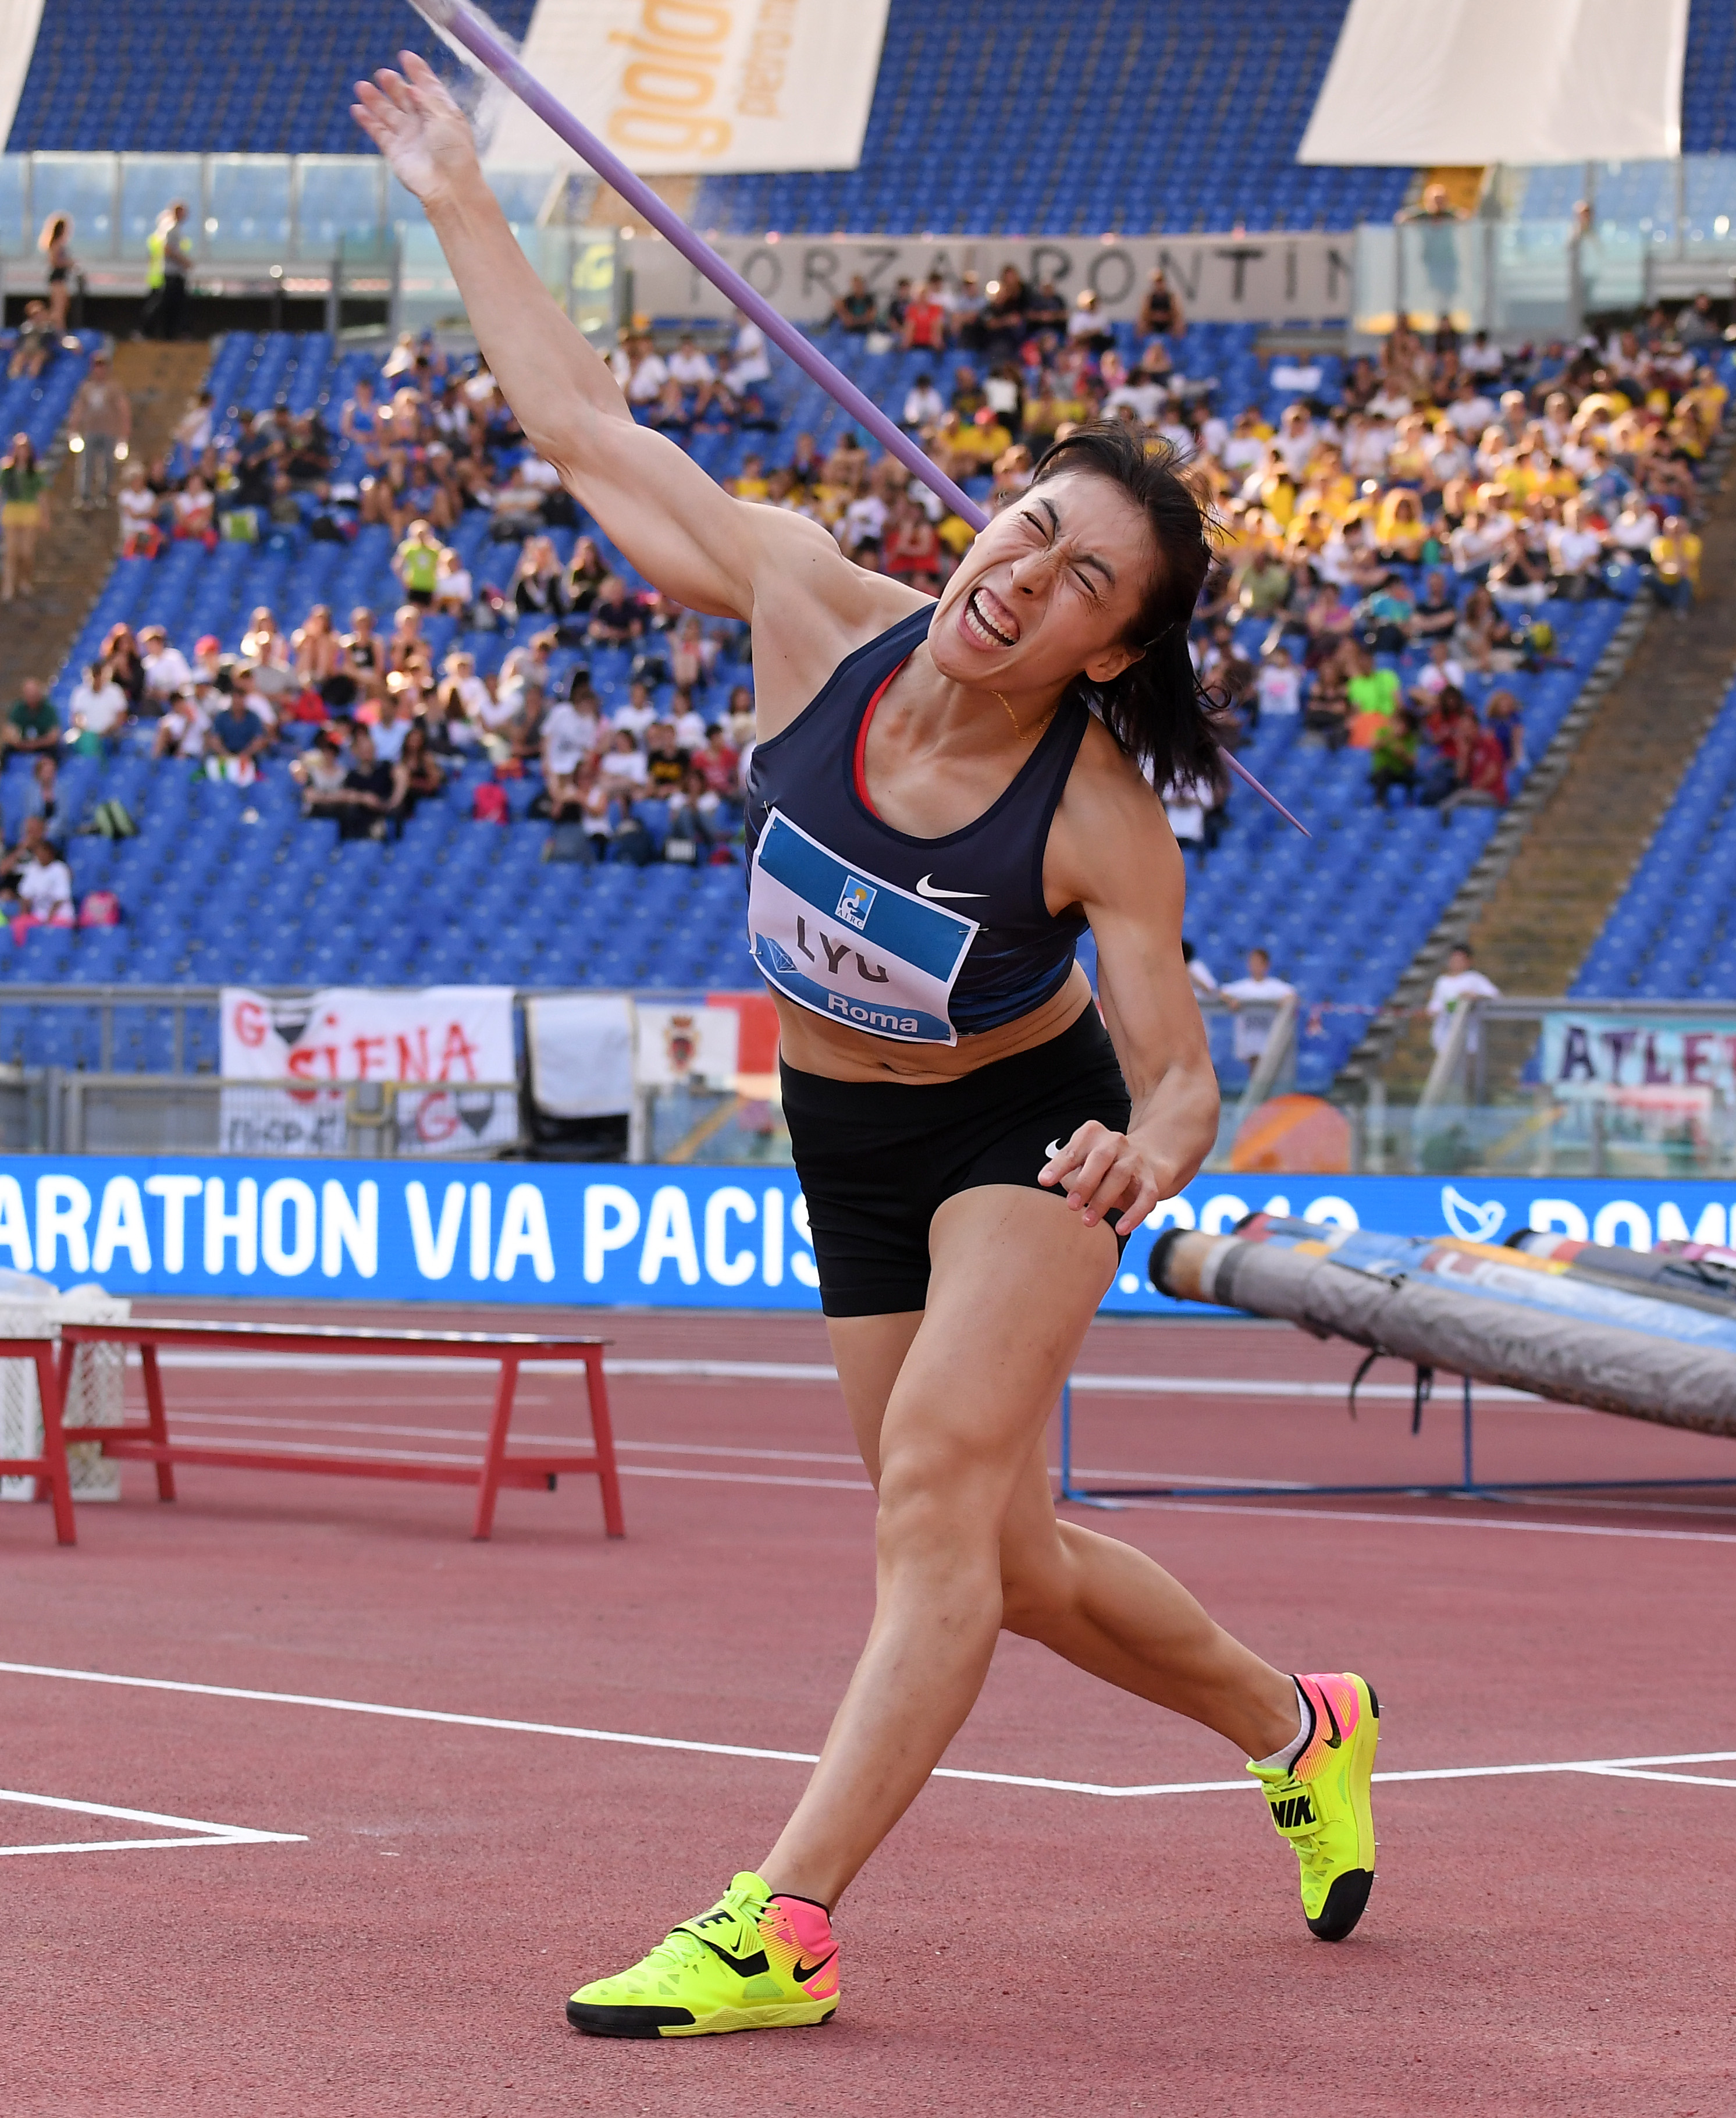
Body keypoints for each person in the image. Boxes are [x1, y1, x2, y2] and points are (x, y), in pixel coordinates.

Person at [355, 52, 1382, 2041]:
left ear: (1111, 650)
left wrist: (1147, 1156)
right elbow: (582, 422)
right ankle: (1296, 1720)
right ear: (983, 520)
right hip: (846, 1139)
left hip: (1025, 1134)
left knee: (928, 1501)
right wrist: (464, 194)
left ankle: (784, 1927)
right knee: (1002, 1555)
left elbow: (1176, 1070)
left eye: (1088, 579)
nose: (1028, 574)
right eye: (1028, 527)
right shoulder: (810, 610)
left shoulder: (1098, 816)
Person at [68, 350, 131, 511]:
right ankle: (85, 495)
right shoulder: (86, 388)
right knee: (86, 463)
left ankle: (104, 493)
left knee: (107, 463)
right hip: (90, 431)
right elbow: (79, 409)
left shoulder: (114, 388)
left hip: (109, 431)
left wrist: (123, 435)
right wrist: (73, 429)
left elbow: (123, 410)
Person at [1219, 948, 1296, 1066]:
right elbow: (1223, 993)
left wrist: (1284, 1002)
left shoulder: (1274, 986)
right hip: (1248, 1037)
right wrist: (1231, 1001)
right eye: (1252, 963)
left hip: (1267, 1036)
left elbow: (1292, 995)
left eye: (1259, 963)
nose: (1255, 966)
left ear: (1266, 965)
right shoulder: (1243, 987)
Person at [1, 433, 49, 602]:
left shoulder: (35, 472)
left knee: (26, 552)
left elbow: (42, 495)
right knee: (11, 552)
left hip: (29, 511)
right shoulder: (7, 471)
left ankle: (24, 580)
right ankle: (8, 585)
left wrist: (45, 516)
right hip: (13, 510)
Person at [1426, 943, 1499, 1055]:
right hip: (1444, 1037)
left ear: (1468, 961)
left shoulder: (1474, 978)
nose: (1456, 963)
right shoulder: (1442, 982)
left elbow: (1495, 995)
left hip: (1469, 1037)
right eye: (1454, 959)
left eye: (1460, 960)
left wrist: (1475, 996)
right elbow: (1434, 1007)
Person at [142, 201, 192, 340]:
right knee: (164, 305)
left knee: (175, 306)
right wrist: (184, 262)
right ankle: (152, 332)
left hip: (175, 274)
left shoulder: (178, 230)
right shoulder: (171, 230)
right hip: (170, 274)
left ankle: (171, 334)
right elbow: (168, 250)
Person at [39, 214, 76, 333]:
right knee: (58, 308)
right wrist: (68, 263)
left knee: (64, 306)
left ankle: (60, 329)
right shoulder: (56, 244)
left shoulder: (61, 243)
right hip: (57, 277)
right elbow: (54, 261)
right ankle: (58, 331)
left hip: (62, 278)